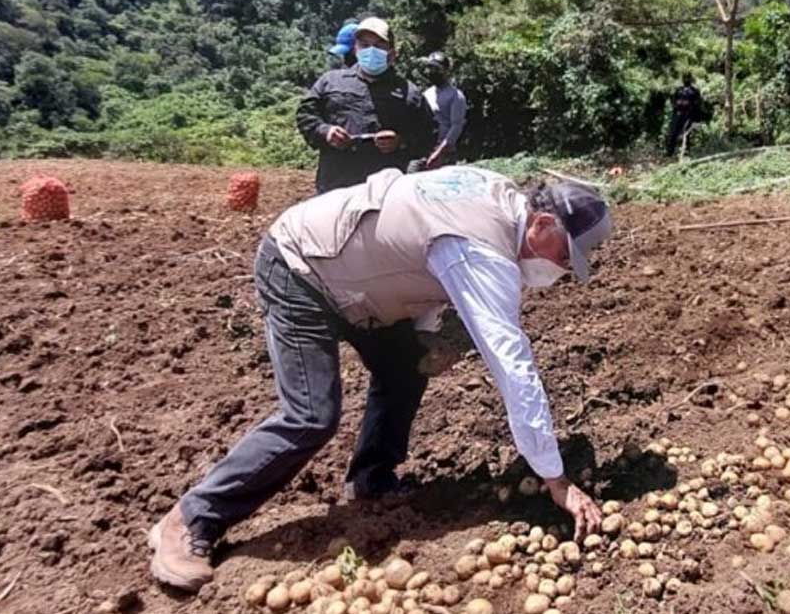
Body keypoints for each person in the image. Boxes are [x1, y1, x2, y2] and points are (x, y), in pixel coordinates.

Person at [148, 166, 613, 591]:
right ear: (543, 225)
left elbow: (419, 242)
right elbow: (513, 365)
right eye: (567, 257)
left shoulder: (500, 196)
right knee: (311, 415)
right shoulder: (482, 247)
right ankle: (193, 517)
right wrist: (554, 477)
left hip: (361, 283)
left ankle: (371, 478)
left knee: (404, 369)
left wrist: (428, 335)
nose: (564, 270)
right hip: (302, 268)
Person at [298, 17, 438, 194]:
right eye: (364, 44)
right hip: (336, 188)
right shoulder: (330, 82)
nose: (371, 51)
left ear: (392, 53)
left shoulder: (410, 93)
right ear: (355, 49)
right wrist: (326, 132)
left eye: (379, 45)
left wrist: (401, 142)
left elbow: (429, 135)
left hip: (386, 194)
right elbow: (305, 115)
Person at [421, 51, 468, 169]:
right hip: (426, 149)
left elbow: (456, 126)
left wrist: (440, 152)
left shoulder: (456, 96)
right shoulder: (427, 93)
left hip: (445, 154)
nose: (431, 72)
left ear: (446, 71)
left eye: (436, 69)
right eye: (429, 68)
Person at [665, 73, 702, 157]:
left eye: (688, 78)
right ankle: (669, 152)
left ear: (690, 79)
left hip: (689, 114)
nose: (686, 80)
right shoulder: (679, 90)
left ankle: (686, 152)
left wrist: (689, 104)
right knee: (673, 133)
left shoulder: (694, 91)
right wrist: (678, 103)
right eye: (685, 78)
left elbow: (698, 103)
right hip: (678, 114)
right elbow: (673, 100)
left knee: (686, 134)